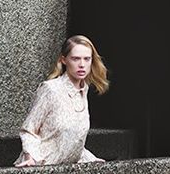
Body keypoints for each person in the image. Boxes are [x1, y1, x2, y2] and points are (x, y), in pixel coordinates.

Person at [14, 35, 109, 167]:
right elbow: (29, 130)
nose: (82, 64)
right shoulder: (51, 89)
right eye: (75, 59)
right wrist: (30, 158)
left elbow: (71, 140)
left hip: (65, 173)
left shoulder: (83, 90)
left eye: (86, 59)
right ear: (64, 60)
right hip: (38, 167)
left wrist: (91, 159)